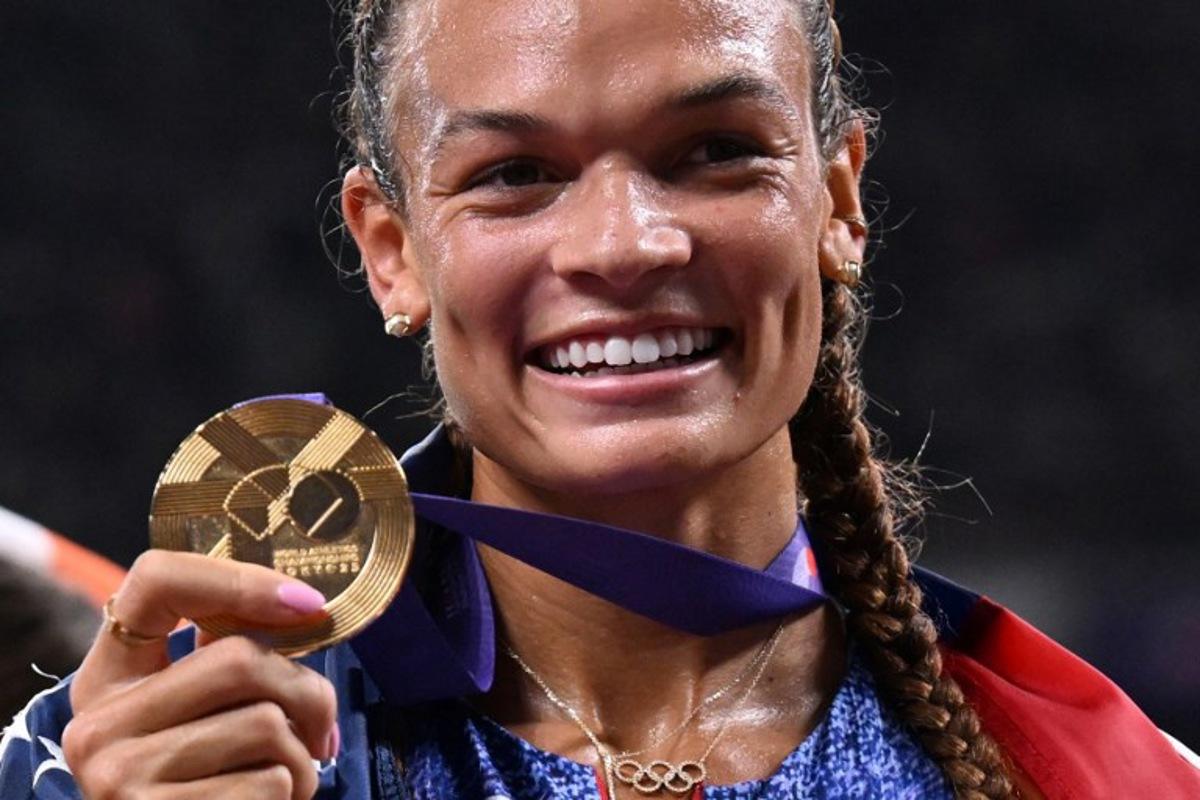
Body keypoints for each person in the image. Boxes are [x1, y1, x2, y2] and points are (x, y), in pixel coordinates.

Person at [2, 1, 1198, 798]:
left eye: (717, 148)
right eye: (515, 174)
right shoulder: (150, 751)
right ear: (392, 249)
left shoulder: (1099, 773)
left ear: (838, 197)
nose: (623, 244)